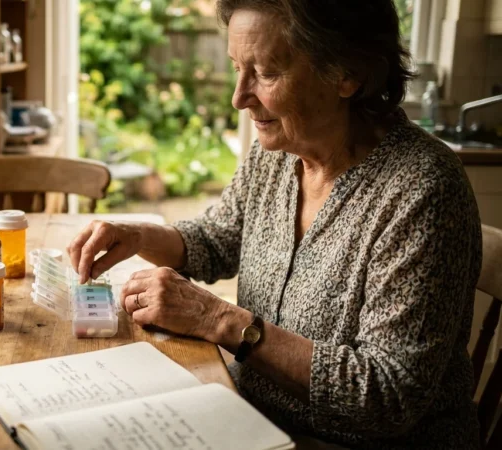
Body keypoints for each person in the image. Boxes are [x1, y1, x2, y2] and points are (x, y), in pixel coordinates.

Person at [67, 0, 482, 448]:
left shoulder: (421, 190)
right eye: (237, 68)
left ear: (347, 74)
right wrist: (136, 235)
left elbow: (385, 396)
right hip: (254, 420)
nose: (239, 97)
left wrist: (216, 317)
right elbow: (218, 238)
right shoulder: (278, 154)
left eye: (265, 73)